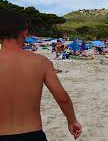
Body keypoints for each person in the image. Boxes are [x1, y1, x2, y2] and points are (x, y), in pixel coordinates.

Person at [0, 10, 81, 140]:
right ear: (25, 32)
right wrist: (72, 121)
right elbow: (62, 98)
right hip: (32, 134)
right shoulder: (41, 62)